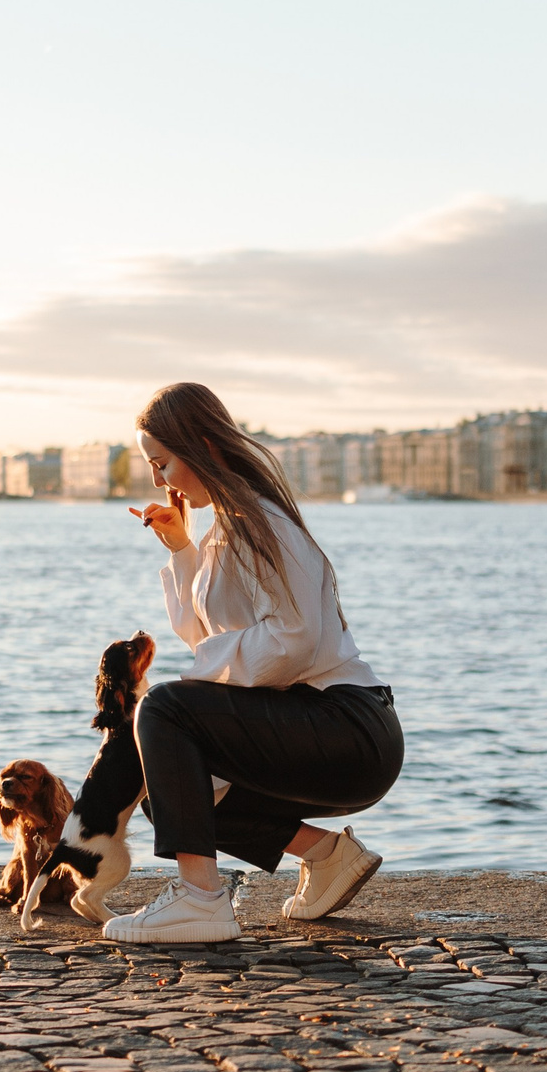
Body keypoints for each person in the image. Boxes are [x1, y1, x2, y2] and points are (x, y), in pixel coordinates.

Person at [100, 381, 403, 944]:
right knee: (167, 789)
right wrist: (182, 550)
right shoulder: (228, 530)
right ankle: (327, 856)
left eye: (162, 463)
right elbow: (206, 638)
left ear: (205, 448)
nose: (159, 481)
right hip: (326, 726)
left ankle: (199, 901)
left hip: (349, 727)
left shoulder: (262, 525)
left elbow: (296, 640)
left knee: (164, 712)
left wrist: (187, 696)